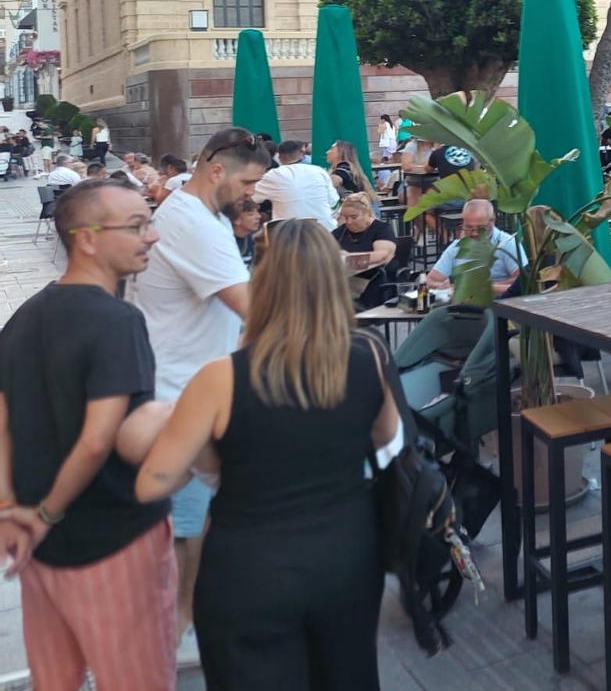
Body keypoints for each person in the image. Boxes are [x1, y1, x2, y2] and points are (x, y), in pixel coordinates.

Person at [135, 221, 399, 690]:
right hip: (349, 554)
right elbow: (387, 439)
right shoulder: (368, 355)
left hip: (250, 568)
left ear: (263, 280)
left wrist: (174, 429)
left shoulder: (219, 378)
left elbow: (154, 481)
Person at [0, 180, 176, 691]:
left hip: (41, 550)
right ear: (88, 239)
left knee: (54, 679)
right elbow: (99, 439)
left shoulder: (23, 317)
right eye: (138, 226)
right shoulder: (117, 321)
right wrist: (47, 512)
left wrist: (12, 509)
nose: (154, 236)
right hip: (113, 539)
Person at [130, 126, 271, 661]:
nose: (250, 194)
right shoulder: (193, 222)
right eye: (249, 182)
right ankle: (179, 625)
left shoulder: (201, 214)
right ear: (218, 171)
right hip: (181, 392)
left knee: (199, 518)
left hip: (189, 382)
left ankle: (184, 614)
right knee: (188, 526)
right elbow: (253, 309)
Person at [425, 198, 524, 298]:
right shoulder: (456, 247)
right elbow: (430, 281)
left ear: (492, 221)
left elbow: (523, 282)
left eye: (480, 228)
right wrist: (446, 287)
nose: (474, 233)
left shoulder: (507, 243)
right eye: (468, 227)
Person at [332, 194, 399, 307]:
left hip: (373, 279)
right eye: (345, 217)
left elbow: (383, 255)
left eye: (354, 217)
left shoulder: (381, 229)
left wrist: (348, 258)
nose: (349, 222)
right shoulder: (340, 233)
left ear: (366, 214)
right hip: (345, 279)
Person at [255, 140, 340, 228]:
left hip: (290, 235)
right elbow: (333, 201)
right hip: (325, 230)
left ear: (279, 157)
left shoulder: (273, 175)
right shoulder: (319, 171)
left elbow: (253, 197)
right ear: (301, 155)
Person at [223, 197, 263, 268]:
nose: (258, 216)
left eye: (257, 212)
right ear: (236, 220)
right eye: (251, 214)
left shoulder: (253, 241)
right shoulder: (224, 242)